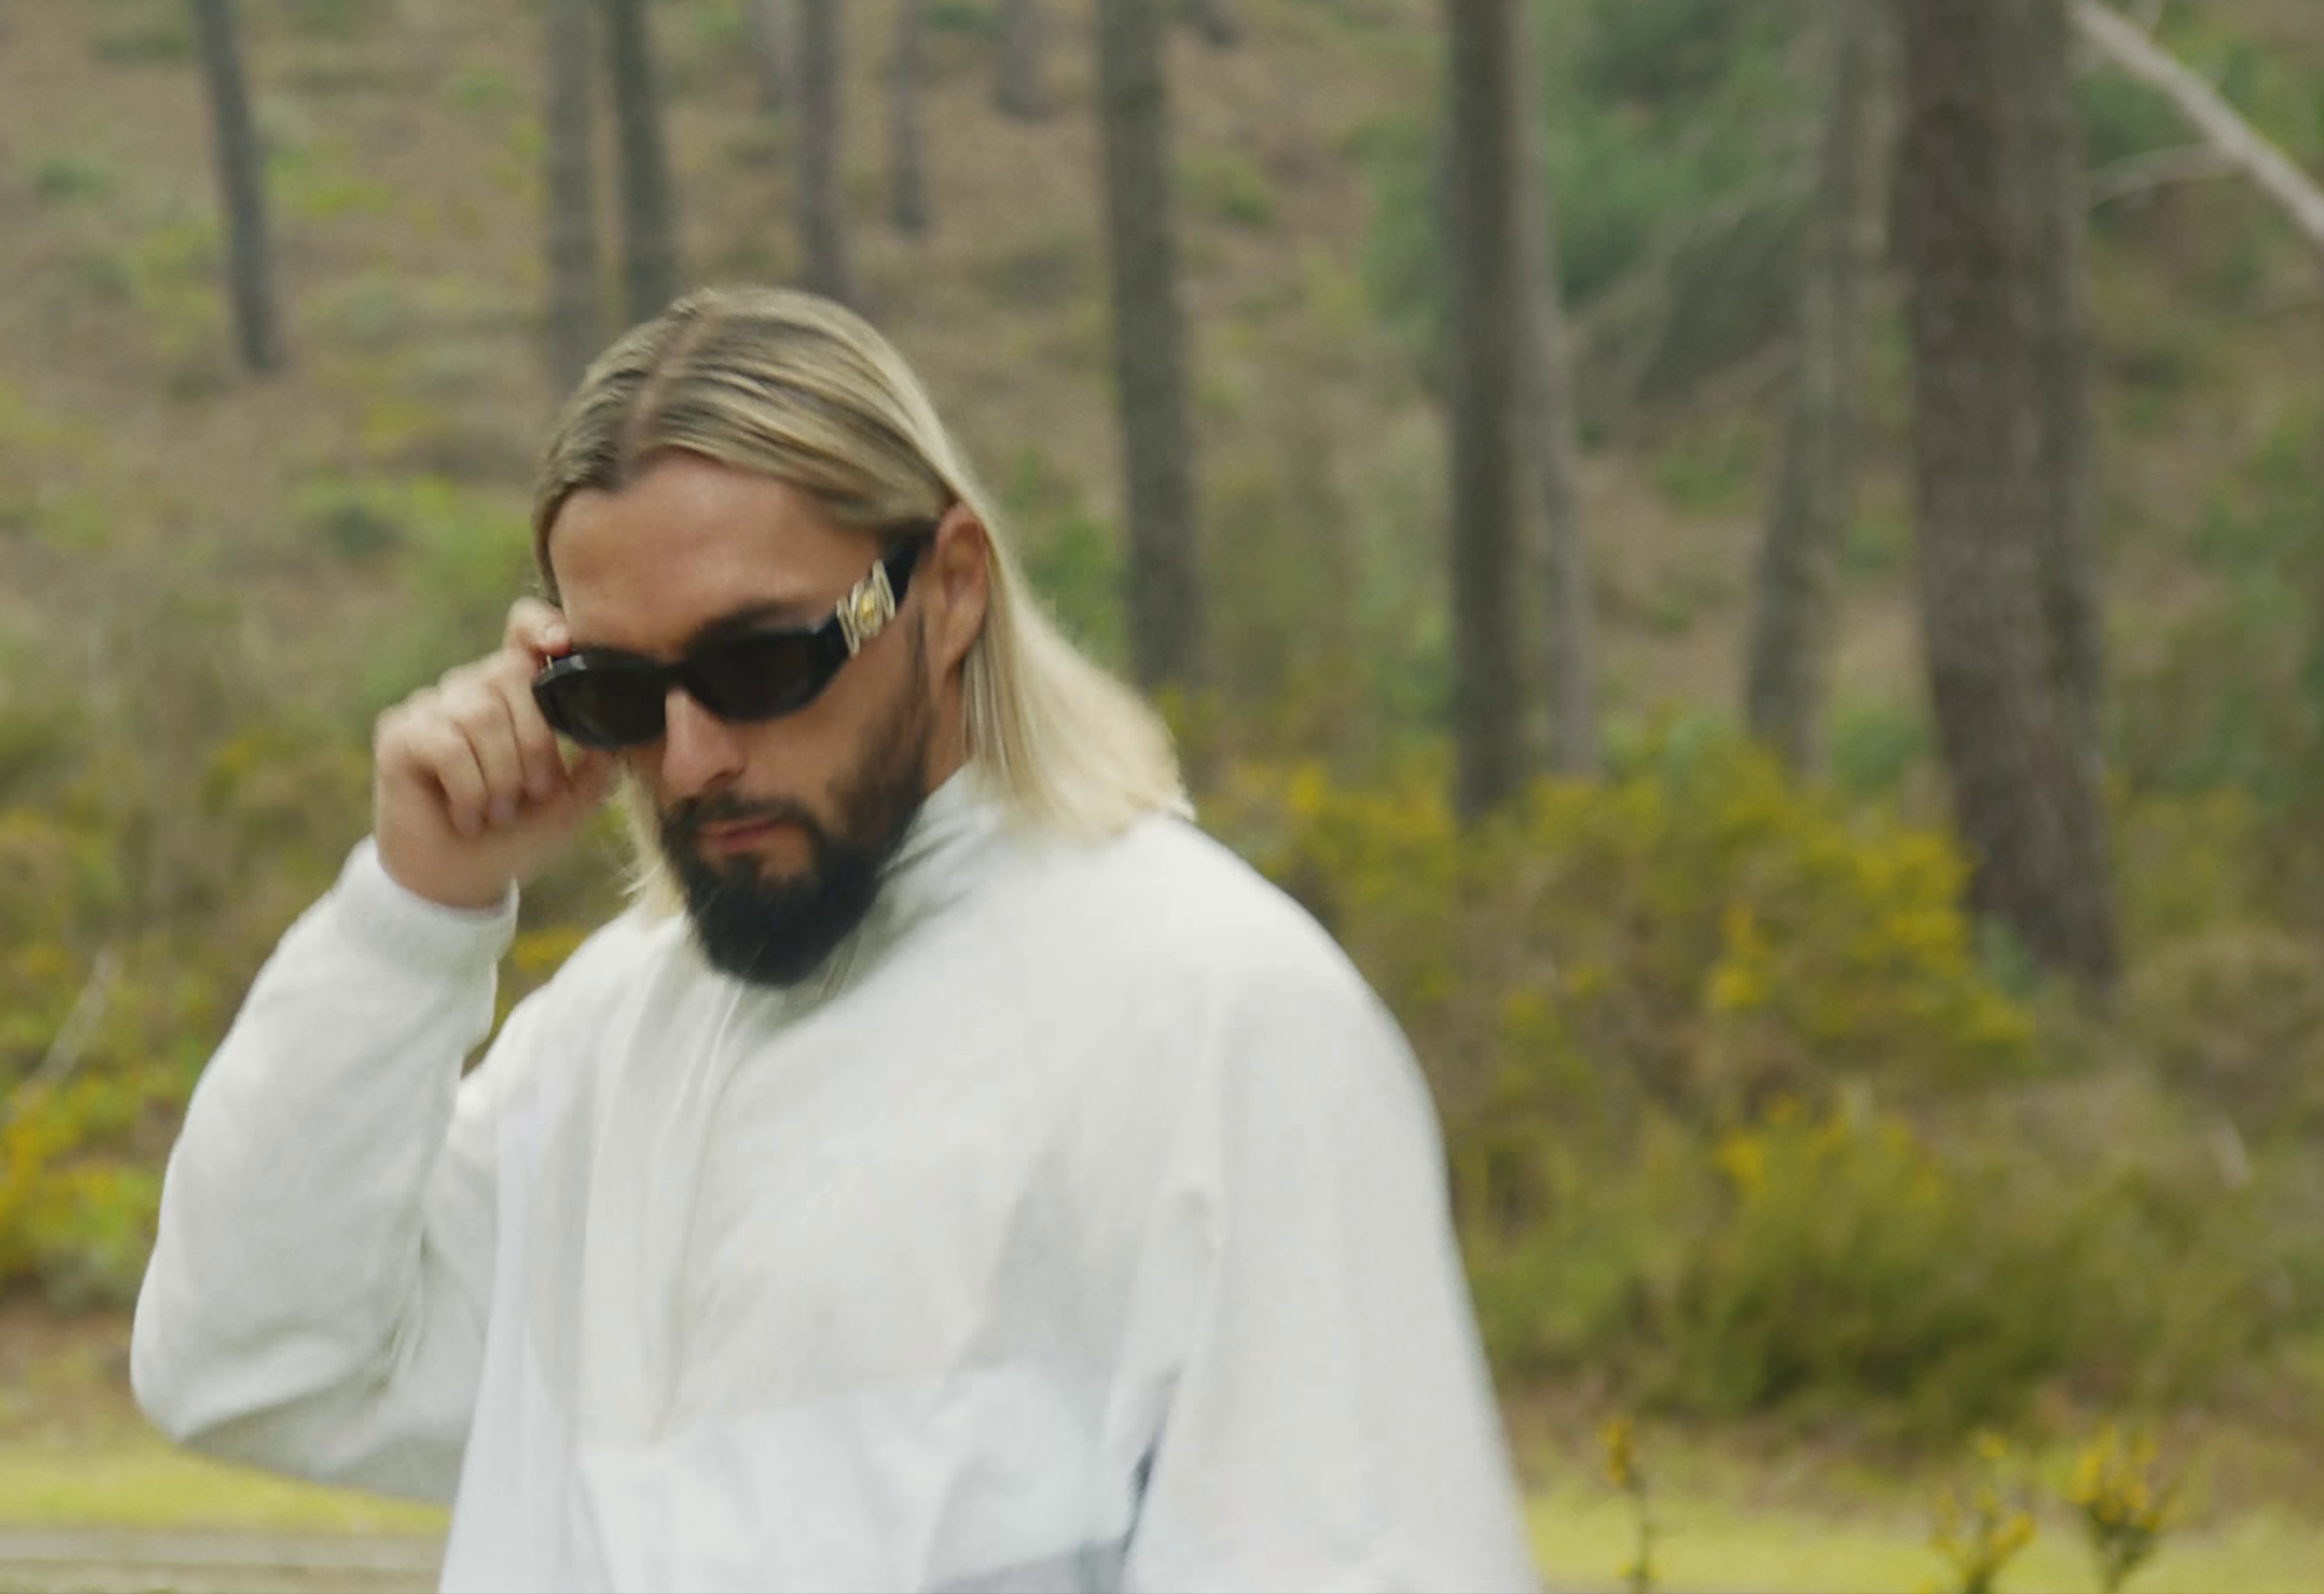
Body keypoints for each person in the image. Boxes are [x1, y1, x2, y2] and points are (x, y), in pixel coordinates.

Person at [130, 289, 1536, 1591]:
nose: (690, 760)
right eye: (619, 694)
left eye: (759, 662)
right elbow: (246, 1366)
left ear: (951, 589)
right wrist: (413, 915)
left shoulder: (1218, 1019)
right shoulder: (608, 1047)